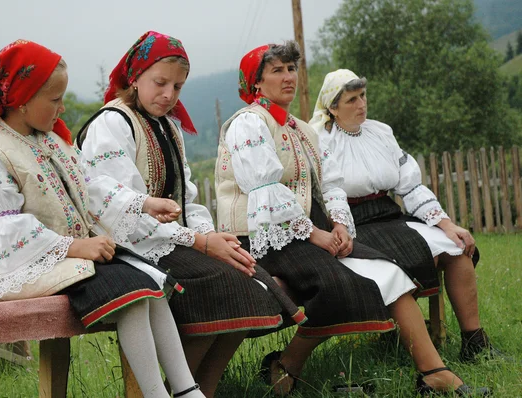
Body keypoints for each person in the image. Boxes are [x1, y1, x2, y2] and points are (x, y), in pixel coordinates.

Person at [215, 42, 490, 396]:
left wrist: (341, 225)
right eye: (277, 71)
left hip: (303, 231)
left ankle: (433, 373)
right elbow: (267, 190)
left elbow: (330, 186)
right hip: (260, 236)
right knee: (343, 283)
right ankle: (285, 367)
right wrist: (316, 235)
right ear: (255, 82)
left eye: (291, 69)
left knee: (389, 271)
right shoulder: (248, 124)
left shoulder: (301, 129)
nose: (288, 77)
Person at [0, 40, 205, 398]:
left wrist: (143, 203)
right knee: (129, 293)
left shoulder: (50, 141)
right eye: (54, 100)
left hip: (68, 257)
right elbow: (9, 231)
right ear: (22, 98)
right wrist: (77, 246)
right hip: (16, 267)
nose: (62, 108)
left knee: (150, 281)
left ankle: (186, 390)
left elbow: (91, 187)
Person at [76, 31, 305, 398]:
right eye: (160, 83)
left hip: (170, 240)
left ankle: (204, 388)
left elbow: (187, 199)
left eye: (178, 87)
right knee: (222, 286)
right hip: (128, 249)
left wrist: (209, 237)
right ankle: (178, 390)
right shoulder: (112, 124)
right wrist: (198, 241)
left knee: (248, 277)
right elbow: (117, 207)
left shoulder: (168, 126)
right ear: (135, 78)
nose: (169, 95)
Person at [311, 69, 502, 364]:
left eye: (363, 96)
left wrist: (446, 224)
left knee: (457, 250)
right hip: (353, 223)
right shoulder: (322, 141)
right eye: (351, 99)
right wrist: (340, 227)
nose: (361, 104)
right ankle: (410, 347)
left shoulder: (381, 132)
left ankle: (474, 342)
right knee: (405, 262)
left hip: (389, 213)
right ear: (332, 108)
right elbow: (329, 192)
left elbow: (410, 185)